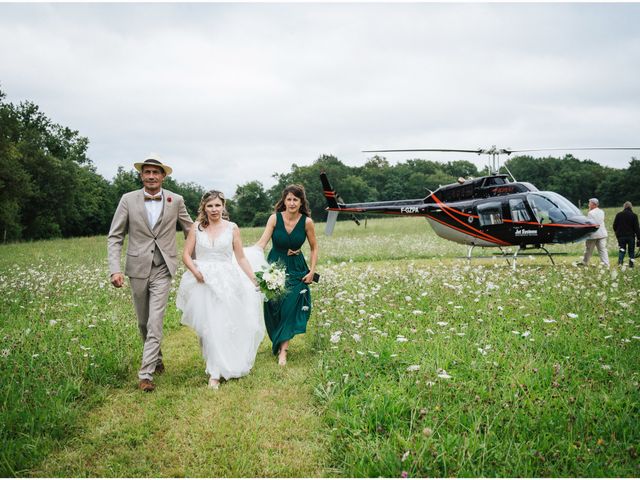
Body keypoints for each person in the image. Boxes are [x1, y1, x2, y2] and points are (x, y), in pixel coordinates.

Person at [108, 154, 193, 392]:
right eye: (147, 172)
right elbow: (115, 236)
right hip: (137, 267)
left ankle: (146, 375)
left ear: (163, 176)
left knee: (155, 320)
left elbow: (191, 229)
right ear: (141, 175)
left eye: (156, 172)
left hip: (164, 267)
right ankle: (156, 359)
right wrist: (114, 269)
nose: (152, 176)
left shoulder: (176, 200)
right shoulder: (128, 200)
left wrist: (198, 256)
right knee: (143, 322)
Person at [176, 190, 264, 389]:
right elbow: (186, 255)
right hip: (203, 282)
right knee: (208, 328)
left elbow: (240, 257)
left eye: (218, 205)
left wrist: (254, 279)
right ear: (204, 208)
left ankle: (217, 371)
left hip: (227, 281)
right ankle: (213, 368)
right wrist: (196, 272)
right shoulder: (196, 228)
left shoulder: (232, 228)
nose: (214, 209)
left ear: (223, 206)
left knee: (223, 324)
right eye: (210, 206)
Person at [255, 184, 318, 366]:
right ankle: (278, 339)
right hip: (275, 267)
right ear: (284, 201)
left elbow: (314, 247)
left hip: (297, 268)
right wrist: (246, 255)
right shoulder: (274, 219)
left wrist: (312, 271)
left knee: (291, 306)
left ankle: (284, 351)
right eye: (288, 199)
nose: (291, 203)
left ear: (301, 202)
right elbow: (262, 243)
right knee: (274, 307)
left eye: (295, 199)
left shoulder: (307, 222)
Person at [581, 197, 610, 268]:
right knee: (603, 250)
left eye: (589, 203)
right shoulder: (602, 211)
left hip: (593, 234)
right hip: (602, 234)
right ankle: (606, 264)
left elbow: (590, 224)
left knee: (589, 250)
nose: (588, 205)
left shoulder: (591, 213)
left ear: (593, 204)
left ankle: (585, 263)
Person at [612, 201, 640, 268]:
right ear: (631, 207)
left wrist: (617, 233)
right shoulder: (634, 215)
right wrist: (639, 238)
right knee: (631, 251)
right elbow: (636, 228)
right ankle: (631, 265)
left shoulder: (619, 214)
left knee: (622, 250)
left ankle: (620, 263)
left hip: (621, 236)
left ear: (624, 207)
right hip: (631, 236)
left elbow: (614, 226)